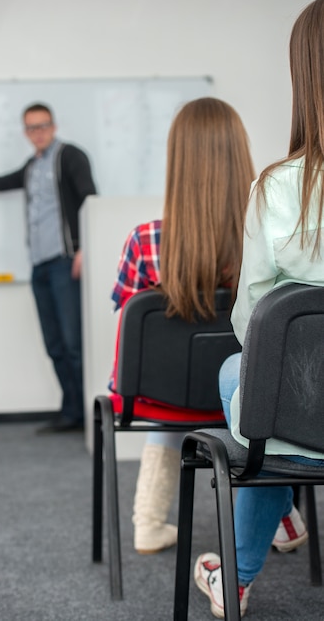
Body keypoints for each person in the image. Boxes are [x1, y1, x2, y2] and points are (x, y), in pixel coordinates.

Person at [195, 0, 324, 617]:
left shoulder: (279, 188)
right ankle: (270, 534)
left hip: (308, 421)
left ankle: (239, 574)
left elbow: (254, 325)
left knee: (241, 378)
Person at [111, 97, 256, 553]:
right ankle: (280, 519)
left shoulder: (145, 240)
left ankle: (149, 522)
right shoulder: (264, 237)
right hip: (244, 403)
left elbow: (133, 323)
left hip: (161, 401)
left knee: (172, 370)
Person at [0, 103, 97, 432]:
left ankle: (90, 415)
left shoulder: (69, 156)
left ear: (53, 126)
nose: (37, 133)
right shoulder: (31, 166)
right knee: (54, 344)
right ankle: (71, 412)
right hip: (39, 265)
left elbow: (90, 200)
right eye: (31, 128)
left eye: (43, 125)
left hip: (65, 262)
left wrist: (85, 248)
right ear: (25, 133)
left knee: (73, 343)